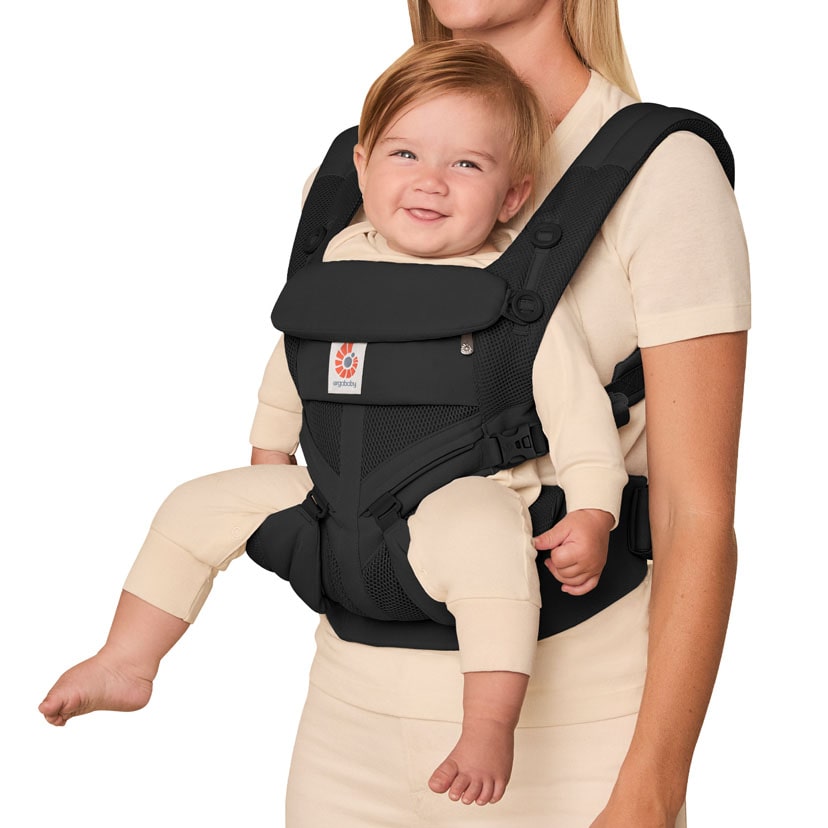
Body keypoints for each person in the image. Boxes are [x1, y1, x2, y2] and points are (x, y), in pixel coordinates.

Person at [39, 39, 631, 810]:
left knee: (487, 534)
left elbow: (582, 422)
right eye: (405, 153)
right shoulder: (338, 271)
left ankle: (488, 724)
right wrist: (268, 459)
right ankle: (127, 659)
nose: (430, 180)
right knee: (194, 504)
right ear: (361, 165)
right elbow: (293, 371)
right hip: (335, 504)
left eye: (466, 164)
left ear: (514, 196)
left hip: (456, 507)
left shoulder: (517, 300)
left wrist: (593, 512)